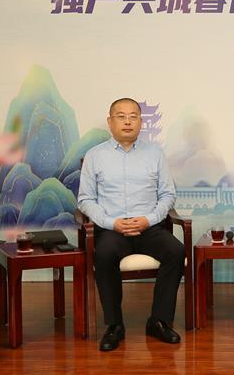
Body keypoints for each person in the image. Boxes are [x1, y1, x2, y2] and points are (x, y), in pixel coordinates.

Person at [79, 97, 185, 351]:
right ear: (110, 122)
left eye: (133, 116)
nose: (127, 122)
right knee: (104, 254)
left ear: (140, 122)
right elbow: (85, 200)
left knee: (176, 250)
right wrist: (111, 222)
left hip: (148, 227)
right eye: (121, 116)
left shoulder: (155, 154)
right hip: (113, 229)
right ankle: (114, 325)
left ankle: (158, 321)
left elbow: (168, 195)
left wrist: (149, 219)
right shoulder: (95, 156)